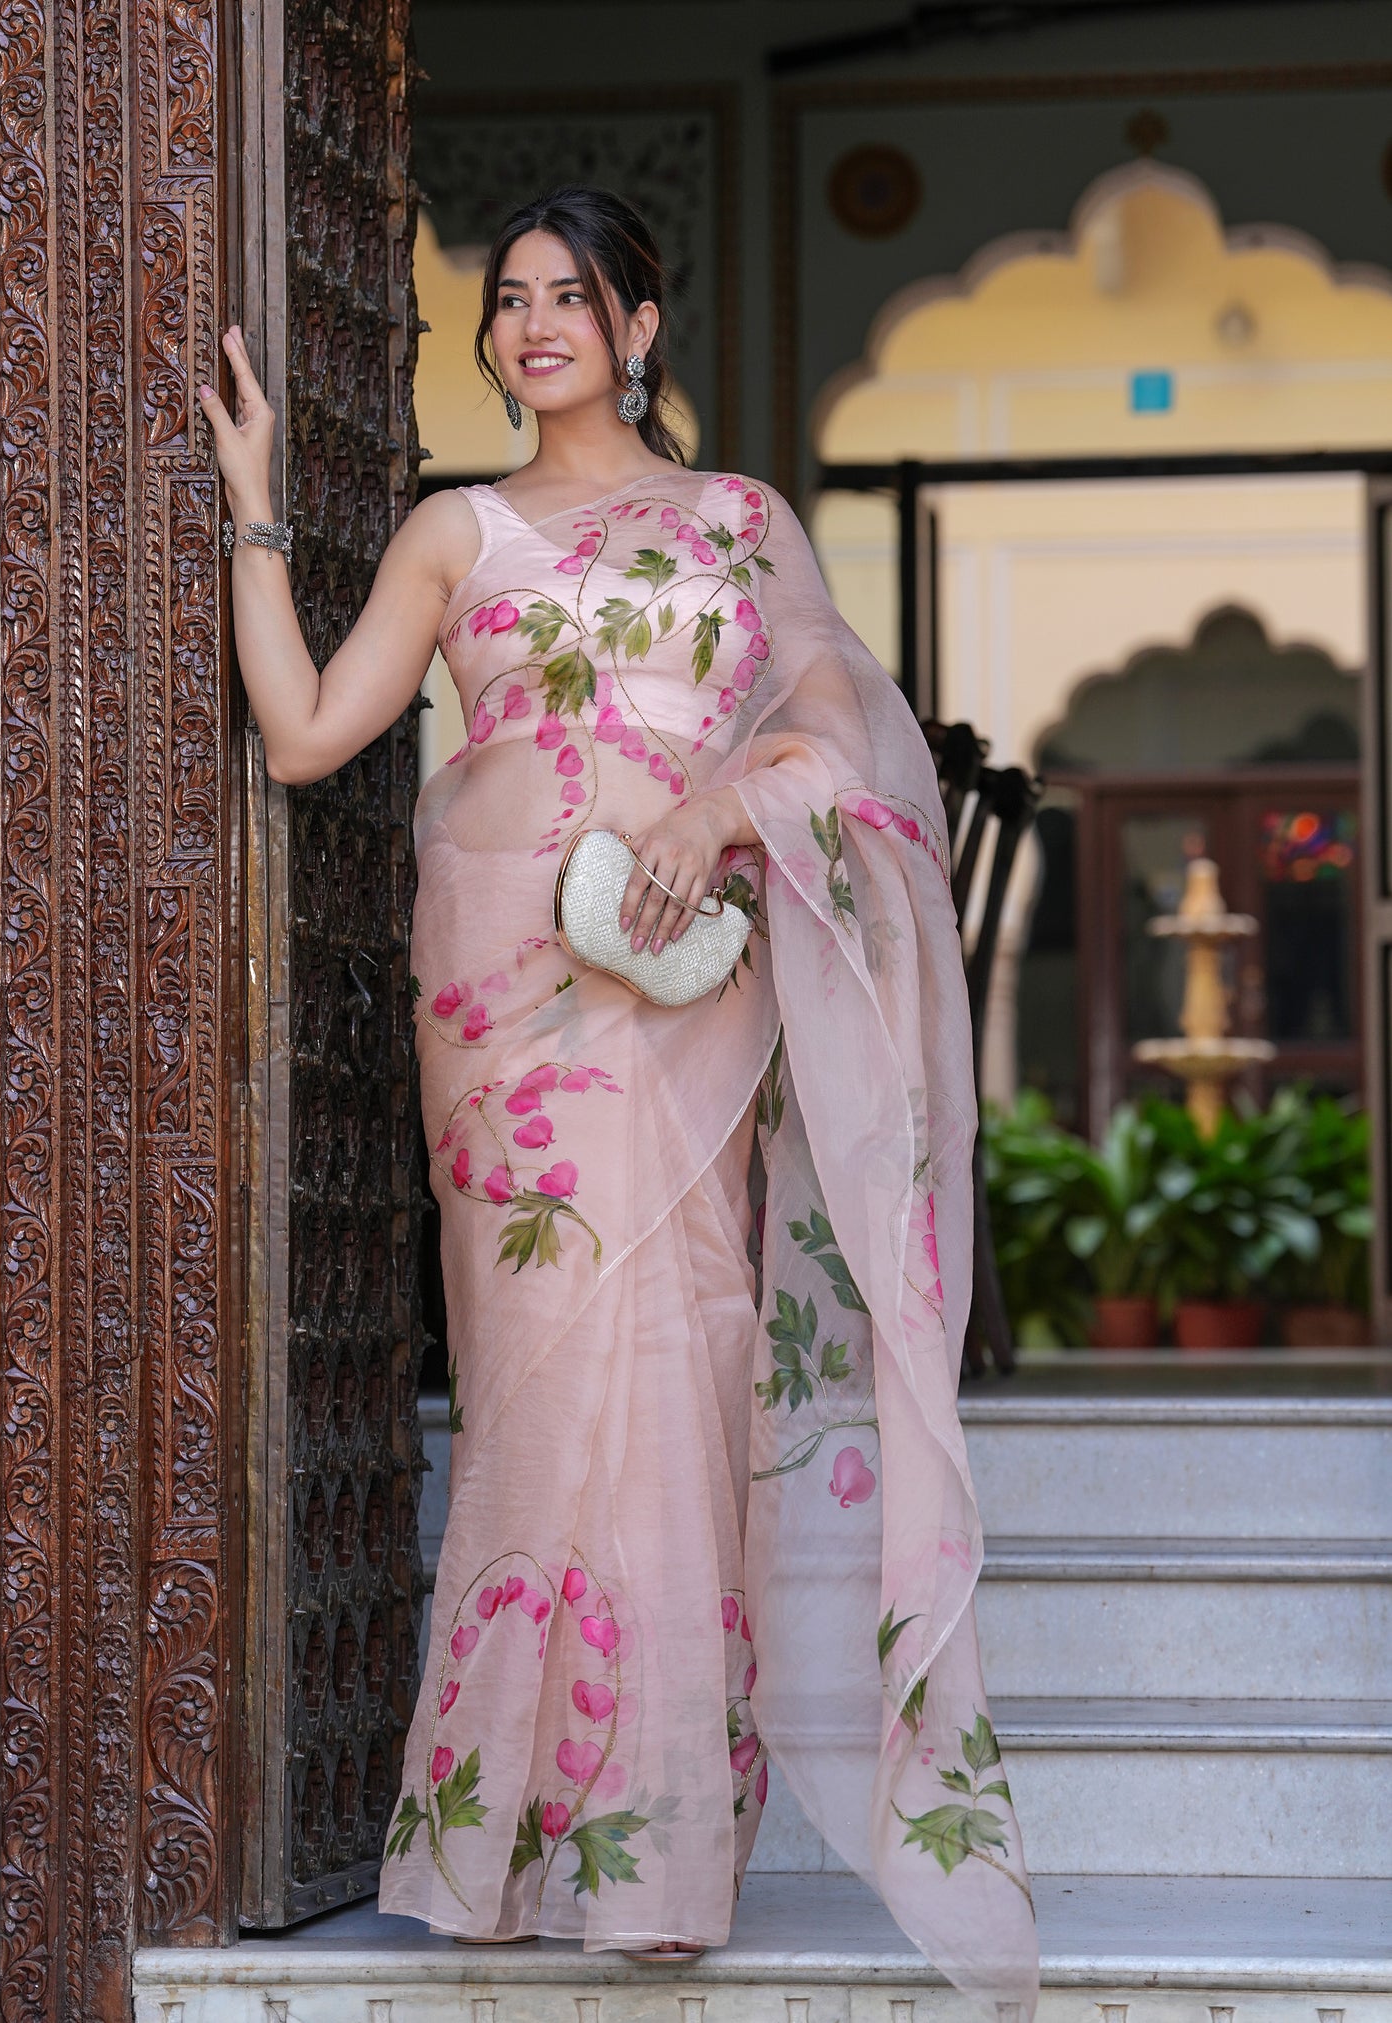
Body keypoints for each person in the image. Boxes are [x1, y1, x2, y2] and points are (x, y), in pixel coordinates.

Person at [199, 183, 1038, 2010]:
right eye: (508, 301)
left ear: (640, 326)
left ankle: (654, 1847)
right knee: (540, 1371)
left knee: (680, 1354)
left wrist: (713, 808)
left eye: (570, 297)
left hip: (674, 987)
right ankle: (502, 1846)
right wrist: (256, 513)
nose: (531, 326)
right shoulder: (454, 527)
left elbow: (846, 719)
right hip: (501, 1003)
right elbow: (307, 735)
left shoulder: (739, 523)